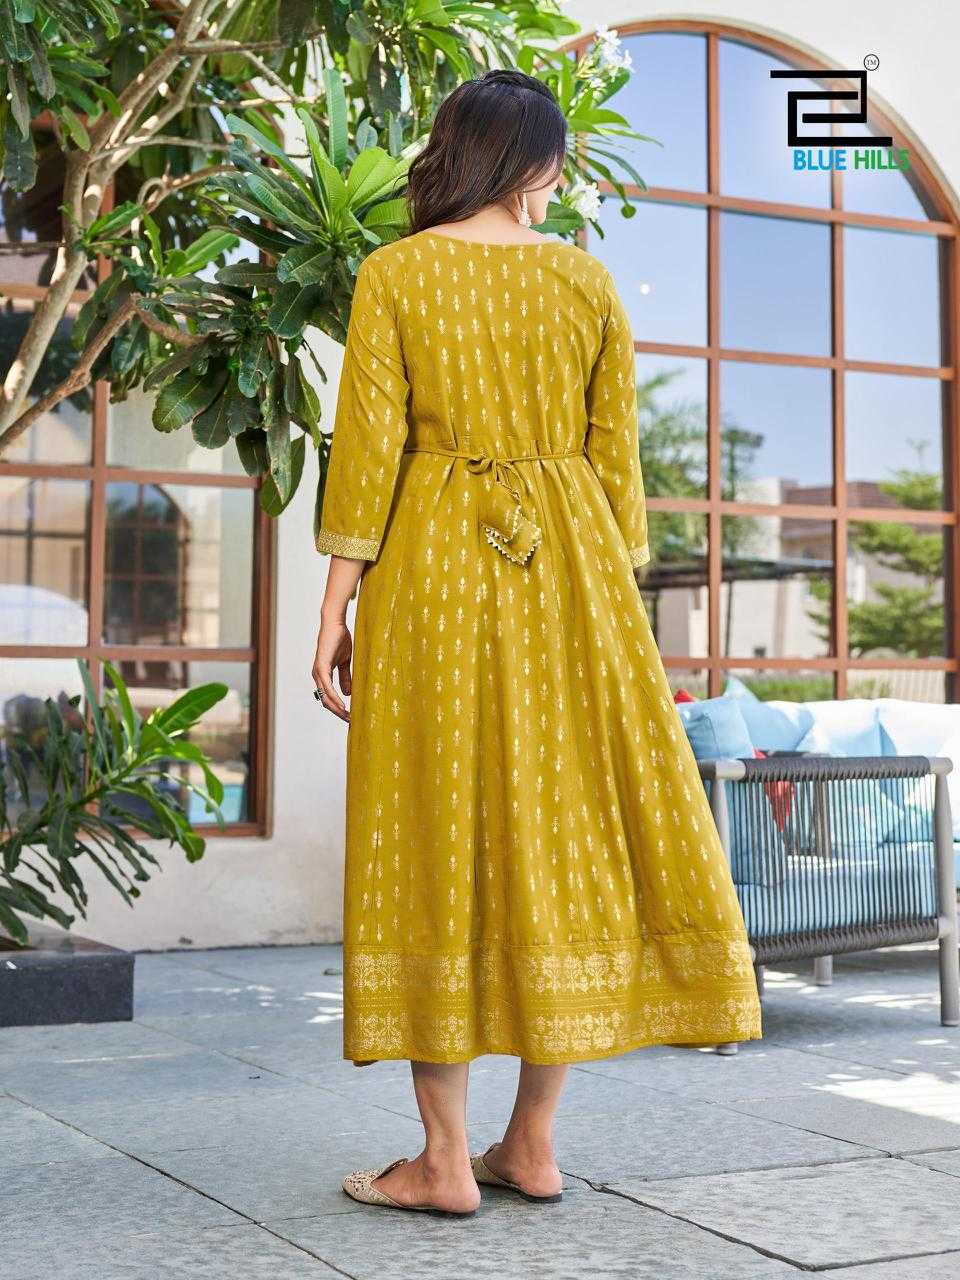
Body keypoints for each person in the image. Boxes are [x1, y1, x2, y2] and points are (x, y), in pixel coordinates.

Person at [312, 68, 762, 1218]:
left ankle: (443, 1159)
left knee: (430, 832)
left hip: (430, 570)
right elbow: (618, 467)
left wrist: (333, 611)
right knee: (564, 831)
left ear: (455, 153)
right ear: (540, 165)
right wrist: (613, 605)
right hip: (573, 574)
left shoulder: (395, 273)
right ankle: (533, 1143)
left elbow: (366, 454)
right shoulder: (584, 281)